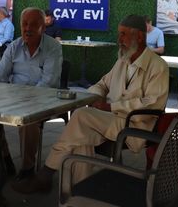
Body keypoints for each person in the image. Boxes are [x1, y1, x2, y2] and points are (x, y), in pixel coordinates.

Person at [11, 15, 168, 194]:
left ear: (139, 37)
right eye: (119, 34)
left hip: (135, 128)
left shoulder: (158, 66)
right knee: (81, 133)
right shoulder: (122, 61)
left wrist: (109, 107)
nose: (119, 40)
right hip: (111, 121)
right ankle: (77, 193)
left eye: (123, 34)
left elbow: (151, 106)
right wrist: (92, 99)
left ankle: (47, 173)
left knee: (81, 117)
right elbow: (102, 84)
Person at [0, 7, 62, 179]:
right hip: (14, 97)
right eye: (24, 24)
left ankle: (27, 168)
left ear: (43, 28)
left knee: (28, 121)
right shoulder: (14, 46)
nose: (28, 28)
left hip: (42, 99)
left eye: (33, 24)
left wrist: (24, 102)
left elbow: (48, 83)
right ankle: (5, 157)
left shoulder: (53, 48)